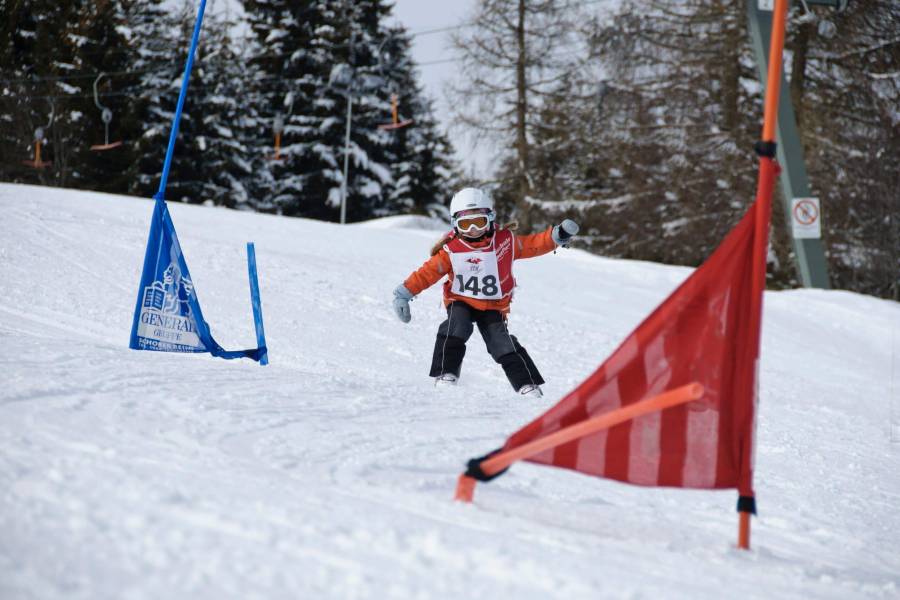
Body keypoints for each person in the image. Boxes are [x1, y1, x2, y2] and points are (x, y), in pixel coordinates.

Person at [391, 187, 579, 397]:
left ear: (490, 219)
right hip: (461, 299)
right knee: (456, 326)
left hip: (493, 304)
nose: (472, 229)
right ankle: (446, 373)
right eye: (465, 224)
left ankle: (527, 384)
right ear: (455, 225)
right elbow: (428, 273)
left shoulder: (505, 242)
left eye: (478, 221)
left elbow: (532, 245)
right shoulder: (451, 249)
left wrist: (556, 237)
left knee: (500, 342)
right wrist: (404, 293)